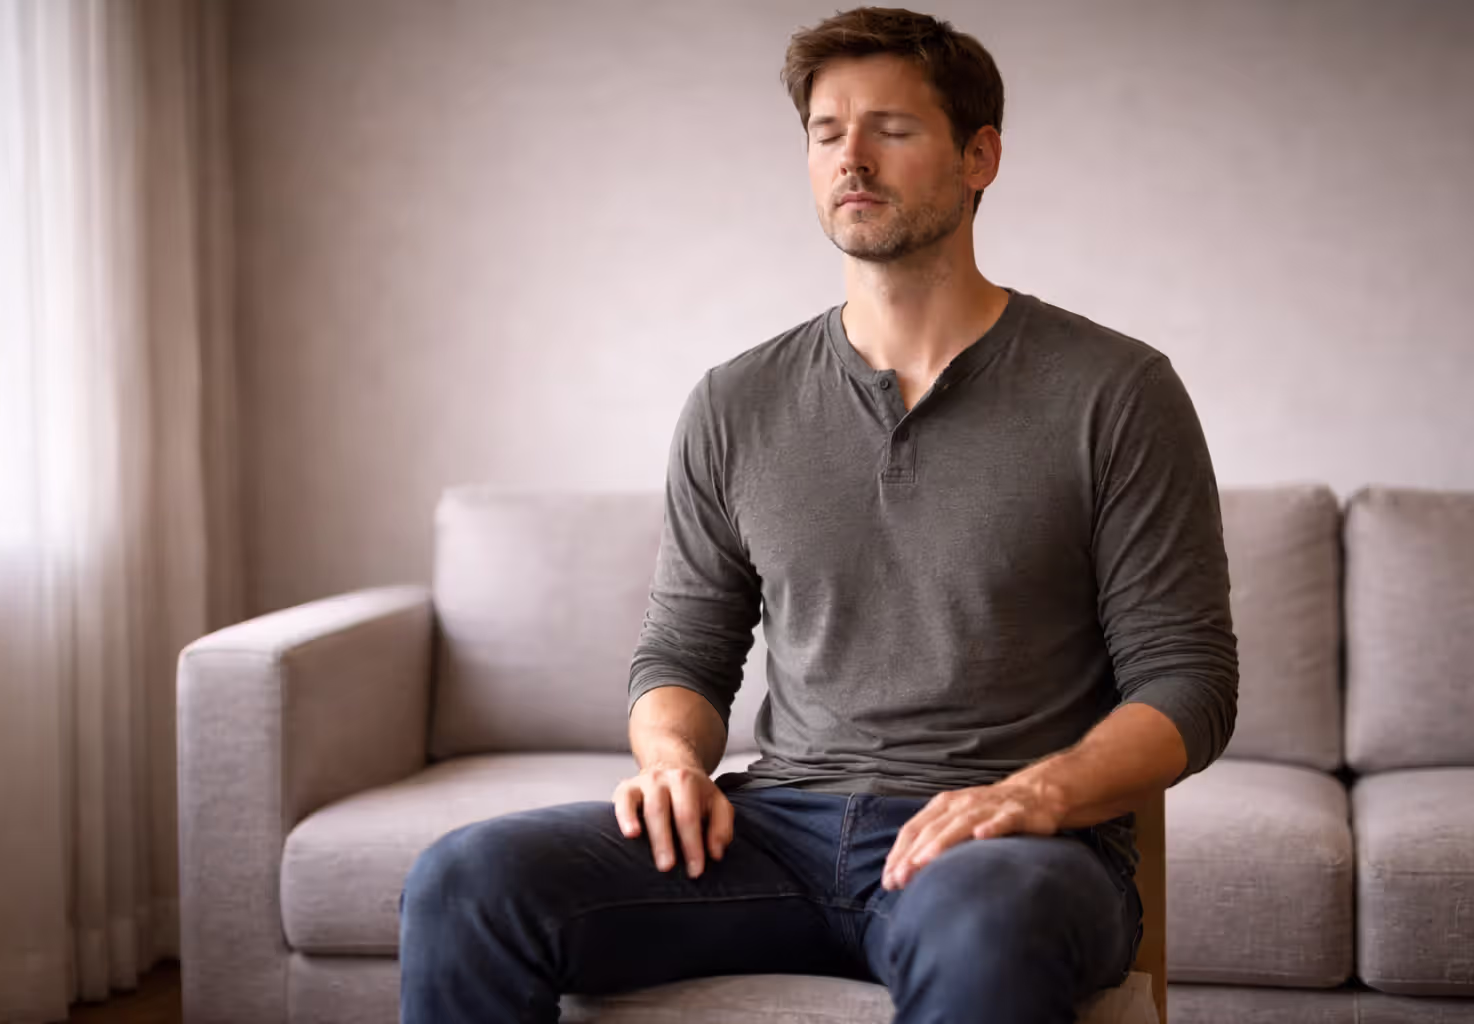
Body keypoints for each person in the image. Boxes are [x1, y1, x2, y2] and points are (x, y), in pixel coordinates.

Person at [399, 7, 1239, 1022]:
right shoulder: (735, 401)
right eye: (827, 132)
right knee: (464, 878)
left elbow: (1189, 682)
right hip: (775, 831)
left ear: (981, 157)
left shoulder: (1116, 391)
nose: (852, 158)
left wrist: (1038, 796)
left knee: (989, 924)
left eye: (891, 128)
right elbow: (682, 651)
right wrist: (669, 763)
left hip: (1001, 854)